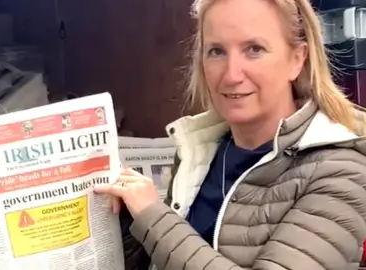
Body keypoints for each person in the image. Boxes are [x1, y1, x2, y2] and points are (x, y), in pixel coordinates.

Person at [94, 0, 366, 269]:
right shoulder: (200, 151)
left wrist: (152, 216)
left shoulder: (341, 170)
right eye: (217, 51)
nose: (232, 74)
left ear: (296, 59)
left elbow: (165, 233)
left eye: (254, 49)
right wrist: (127, 219)